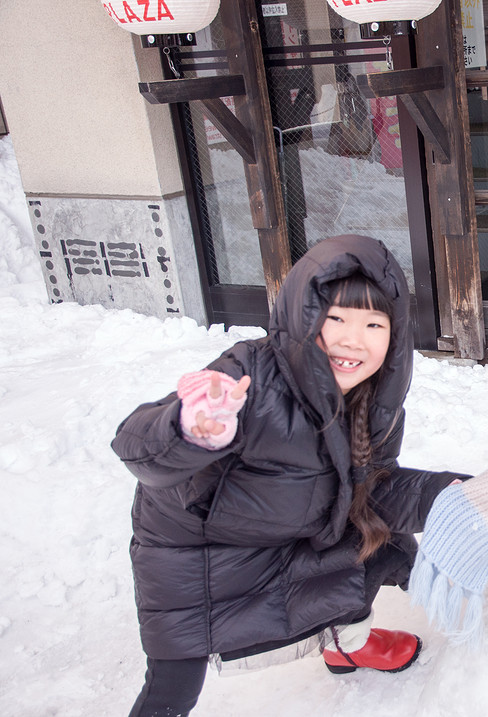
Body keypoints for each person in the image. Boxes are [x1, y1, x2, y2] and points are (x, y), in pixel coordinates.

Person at [112, 234, 466, 716]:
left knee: (369, 547)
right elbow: (136, 447)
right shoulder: (251, 374)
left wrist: (449, 495)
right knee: (173, 685)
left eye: (372, 323)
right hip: (200, 550)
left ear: (395, 334)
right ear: (303, 318)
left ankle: (349, 644)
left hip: (290, 526)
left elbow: (373, 491)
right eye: (334, 318)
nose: (351, 338)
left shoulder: (375, 402)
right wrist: (189, 429)